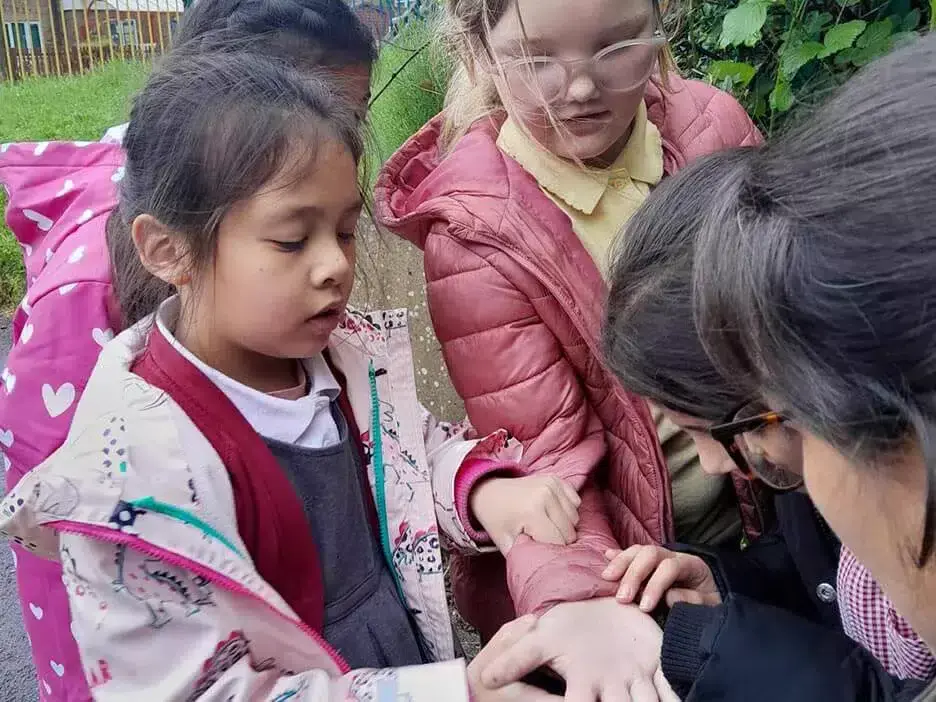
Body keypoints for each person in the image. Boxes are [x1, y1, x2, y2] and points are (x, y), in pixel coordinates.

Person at [0, 50, 563, 702]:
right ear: (168, 249)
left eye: (347, 231)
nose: (333, 266)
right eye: (293, 240)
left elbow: (410, 454)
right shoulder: (130, 482)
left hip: (399, 658)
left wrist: (477, 489)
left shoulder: (344, 359)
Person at [374, 0, 760, 692]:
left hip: (763, 520)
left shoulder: (714, 130)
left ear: (660, 23)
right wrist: (585, 609)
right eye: (537, 58)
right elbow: (545, 457)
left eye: (614, 48)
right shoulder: (476, 235)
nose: (580, 87)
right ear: (479, 51)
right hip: (624, 569)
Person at [0, 3, 378, 699]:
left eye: (351, 114)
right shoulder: (82, 299)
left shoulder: (311, 345)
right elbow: (81, 540)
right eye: (293, 238)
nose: (334, 265)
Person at [598, 147, 932, 700]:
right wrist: (731, 590)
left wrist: (722, 650)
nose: (711, 464)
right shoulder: (815, 451)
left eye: (726, 431)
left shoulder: (901, 487)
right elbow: (823, 574)